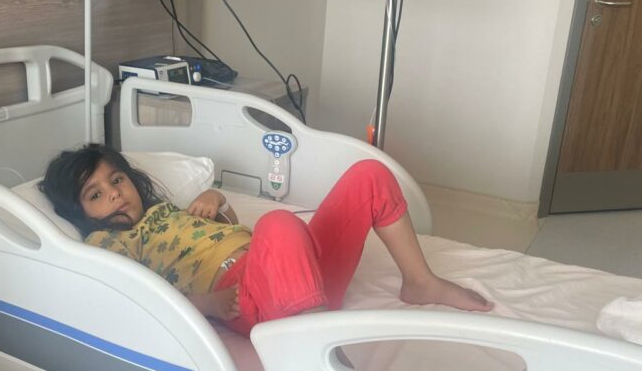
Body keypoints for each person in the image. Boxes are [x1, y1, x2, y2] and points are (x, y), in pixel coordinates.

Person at [41, 144, 492, 336]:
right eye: (95, 195)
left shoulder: (166, 212)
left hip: (295, 274)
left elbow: (229, 230)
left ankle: (419, 281)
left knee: (370, 175)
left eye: (116, 179)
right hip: (248, 298)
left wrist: (218, 201)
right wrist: (207, 305)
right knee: (279, 222)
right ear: (80, 214)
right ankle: (313, 347)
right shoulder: (112, 245)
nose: (114, 193)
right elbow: (138, 296)